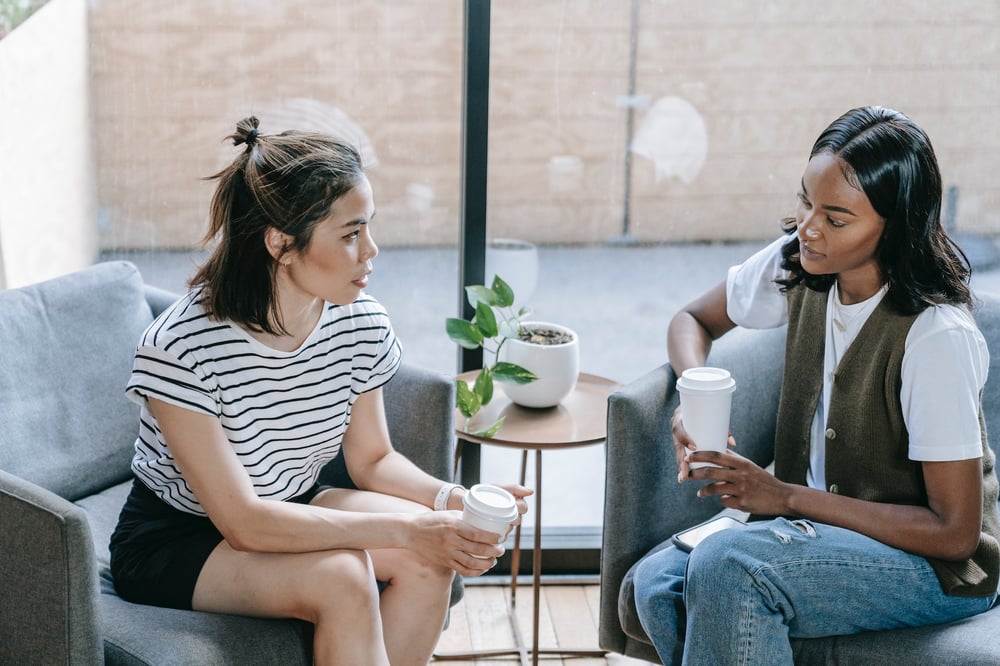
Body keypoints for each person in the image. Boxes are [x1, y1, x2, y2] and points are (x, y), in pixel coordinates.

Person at [109, 116, 531, 666]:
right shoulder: (181, 346)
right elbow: (244, 522)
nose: (372, 251)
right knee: (343, 577)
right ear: (281, 243)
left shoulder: (357, 322)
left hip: (295, 500)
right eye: (351, 233)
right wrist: (407, 530)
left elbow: (374, 459)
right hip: (180, 536)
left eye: (369, 228)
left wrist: (453, 502)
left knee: (431, 560)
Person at [632, 106, 999, 664]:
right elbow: (693, 320)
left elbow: (954, 534)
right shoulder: (800, 263)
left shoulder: (935, 337)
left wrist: (782, 498)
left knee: (729, 570)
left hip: (931, 567)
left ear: (894, 225)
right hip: (810, 529)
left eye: (836, 217)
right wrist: (693, 394)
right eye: (806, 201)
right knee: (658, 585)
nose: (808, 227)